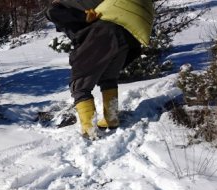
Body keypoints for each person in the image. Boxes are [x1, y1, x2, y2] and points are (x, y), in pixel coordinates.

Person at [47, 0, 154, 138]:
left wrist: (83, 18)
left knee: (79, 84)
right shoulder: (93, 2)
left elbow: (51, 12)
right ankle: (111, 118)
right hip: (124, 39)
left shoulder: (60, 5)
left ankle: (89, 129)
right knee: (108, 79)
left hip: (101, 35)